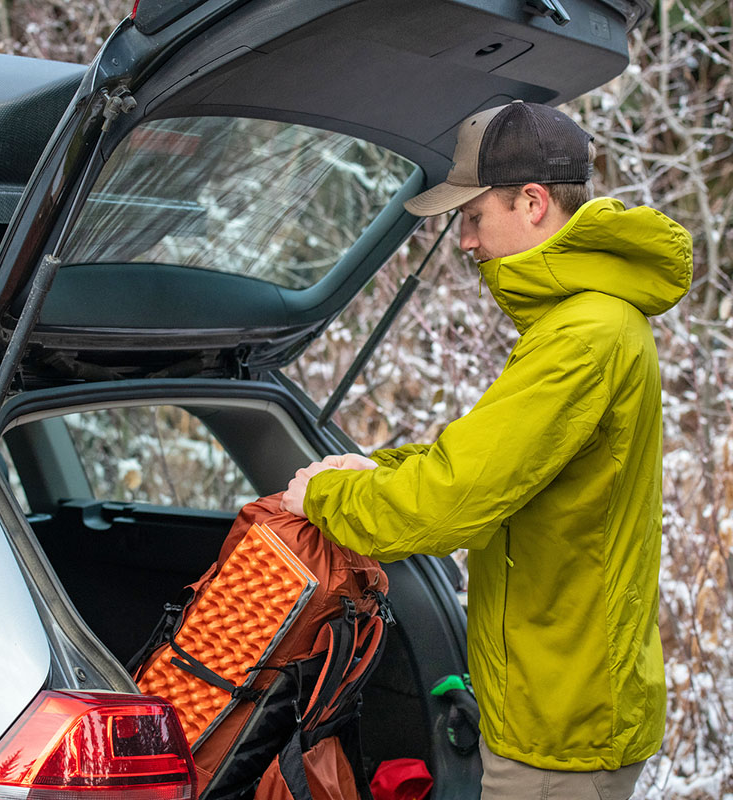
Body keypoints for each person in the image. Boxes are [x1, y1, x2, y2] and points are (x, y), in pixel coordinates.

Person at [281, 100, 693, 800]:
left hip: (561, 729)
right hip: (554, 700)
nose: (465, 241)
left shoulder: (582, 339)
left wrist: (322, 496)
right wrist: (375, 469)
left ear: (531, 202)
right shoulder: (583, 321)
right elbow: (490, 464)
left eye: (473, 217)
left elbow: (452, 503)